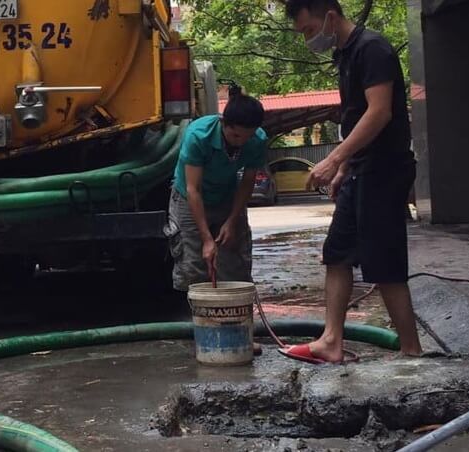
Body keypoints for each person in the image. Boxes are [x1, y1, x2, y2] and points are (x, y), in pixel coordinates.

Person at [282, 0, 422, 363]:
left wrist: (334, 159)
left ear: (329, 16)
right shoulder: (345, 56)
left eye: (308, 31)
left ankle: (411, 350)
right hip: (360, 169)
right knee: (338, 253)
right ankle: (331, 341)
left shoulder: (371, 48)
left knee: (384, 261)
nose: (307, 40)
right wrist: (345, 168)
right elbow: (355, 118)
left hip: (385, 170)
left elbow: (379, 113)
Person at [167, 89, 268, 353]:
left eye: (247, 136)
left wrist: (233, 221)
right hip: (190, 199)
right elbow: (193, 190)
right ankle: (206, 334)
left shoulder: (256, 140)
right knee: (196, 267)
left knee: (234, 263)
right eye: (235, 135)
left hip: (227, 196)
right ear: (224, 123)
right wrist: (206, 239)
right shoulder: (198, 135)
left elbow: (247, 182)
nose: (240, 142)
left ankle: (240, 333)